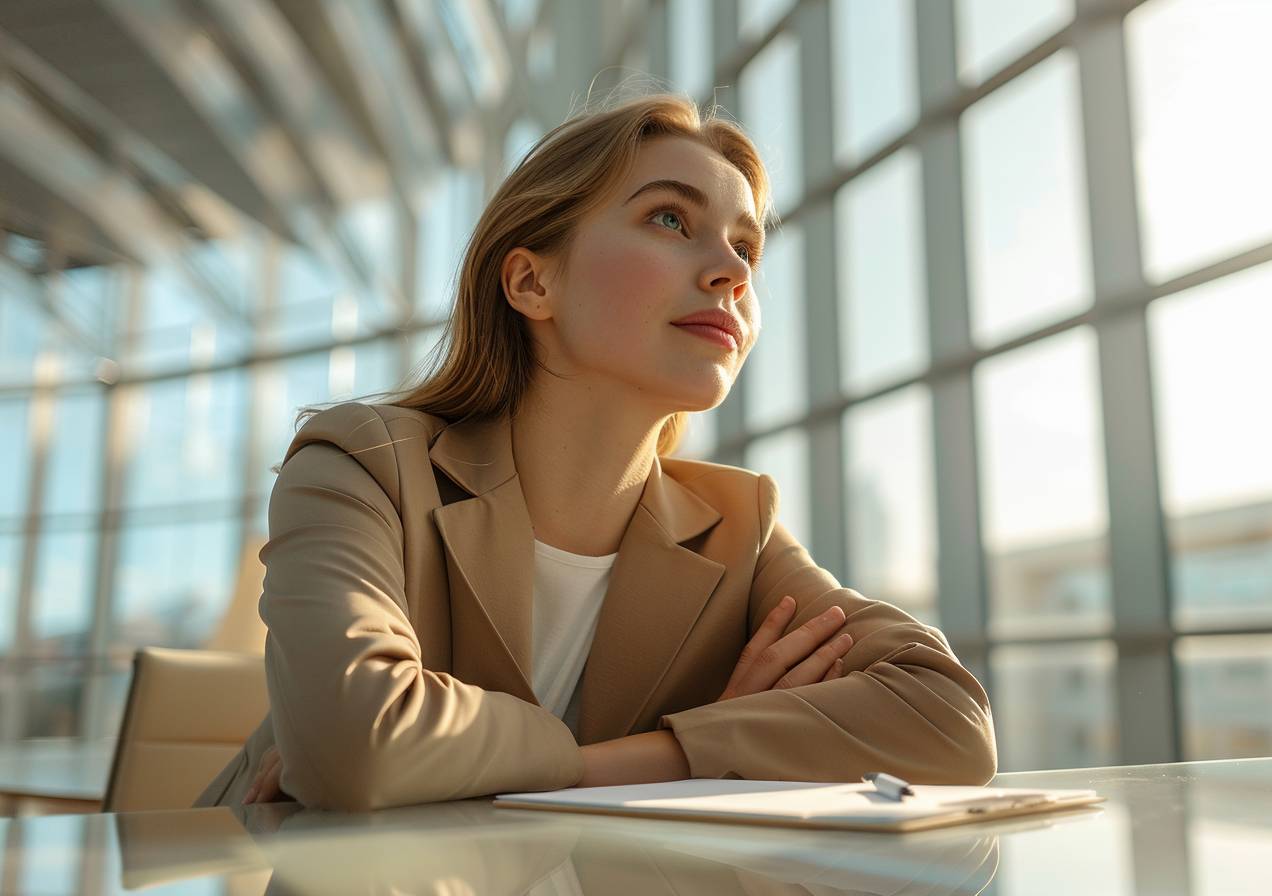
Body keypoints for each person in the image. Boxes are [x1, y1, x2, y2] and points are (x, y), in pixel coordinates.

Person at [193, 90, 997, 813]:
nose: (730, 272)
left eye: (746, 248)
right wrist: (705, 748)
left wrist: (623, 762)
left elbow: (948, 719)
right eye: (671, 220)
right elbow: (355, 746)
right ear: (531, 283)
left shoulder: (734, 528)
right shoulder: (363, 464)